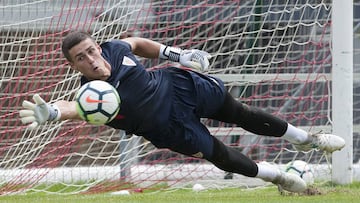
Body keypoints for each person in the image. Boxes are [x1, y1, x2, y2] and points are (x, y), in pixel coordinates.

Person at [19, 31, 345, 193]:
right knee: (222, 157)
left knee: (240, 113)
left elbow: (137, 43)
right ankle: (279, 178)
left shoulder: (114, 49)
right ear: (74, 65)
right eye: (80, 58)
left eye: (91, 50)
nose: (90, 59)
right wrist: (53, 112)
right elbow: (72, 108)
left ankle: (306, 139)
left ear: (98, 47)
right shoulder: (90, 96)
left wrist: (178, 53)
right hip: (167, 128)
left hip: (179, 86)